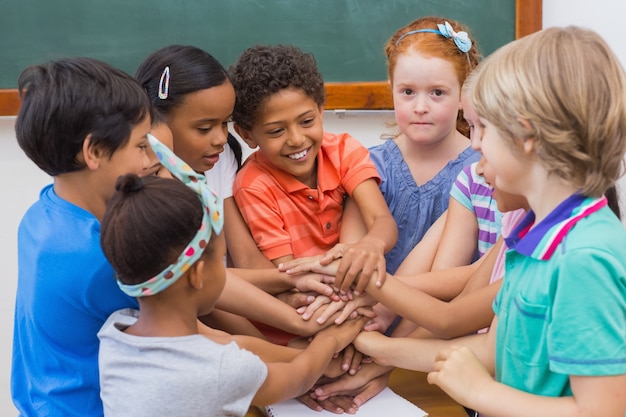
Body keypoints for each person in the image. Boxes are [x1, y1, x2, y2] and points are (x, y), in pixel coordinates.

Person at [354, 26, 626, 416]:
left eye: (484, 129)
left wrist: (480, 393)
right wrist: (372, 348)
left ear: (526, 136)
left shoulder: (585, 259)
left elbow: (602, 411)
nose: (475, 143)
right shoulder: (533, 233)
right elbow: (494, 348)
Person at [98, 139, 366, 417]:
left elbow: (232, 344)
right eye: (220, 259)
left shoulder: (117, 332)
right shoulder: (217, 371)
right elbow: (298, 378)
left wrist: (320, 359)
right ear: (198, 275)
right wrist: (330, 342)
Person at [11, 57, 153, 417]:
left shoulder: (43, 212)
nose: (151, 160)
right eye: (141, 146)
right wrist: (307, 360)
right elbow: (193, 317)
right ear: (94, 152)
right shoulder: (99, 258)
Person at [228, 44, 397, 344]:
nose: (296, 139)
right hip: (298, 311)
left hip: (343, 295)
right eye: (276, 131)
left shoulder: (344, 150)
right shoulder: (254, 184)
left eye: (307, 121)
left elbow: (381, 220)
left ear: (321, 109)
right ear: (247, 134)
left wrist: (371, 244)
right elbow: (288, 273)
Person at [369, 16, 481, 275]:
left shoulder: (483, 170)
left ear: (464, 94)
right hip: (370, 307)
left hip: (447, 310)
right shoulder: (370, 167)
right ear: (392, 89)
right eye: (407, 92)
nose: (420, 108)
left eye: (437, 93)